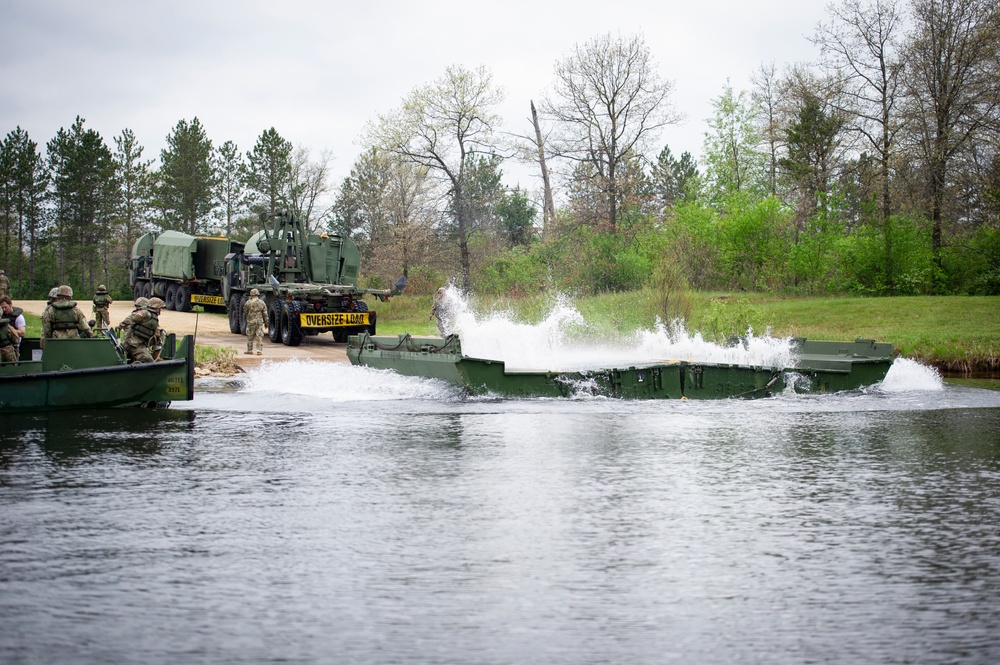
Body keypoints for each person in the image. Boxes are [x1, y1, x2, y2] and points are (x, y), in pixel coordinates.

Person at [118, 297, 161, 364]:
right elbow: (130, 319)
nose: (160, 310)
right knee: (148, 361)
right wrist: (121, 326)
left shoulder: (153, 317)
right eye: (159, 308)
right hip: (133, 344)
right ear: (155, 307)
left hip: (140, 343)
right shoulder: (145, 313)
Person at [242, 288, 267, 355]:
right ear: (257, 294)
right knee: (259, 336)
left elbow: (245, 310)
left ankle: (249, 350)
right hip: (259, 322)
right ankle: (259, 350)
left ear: (251, 294)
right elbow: (265, 314)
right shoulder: (262, 303)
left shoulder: (248, 302)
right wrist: (266, 323)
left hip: (251, 321)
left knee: (250, 336)